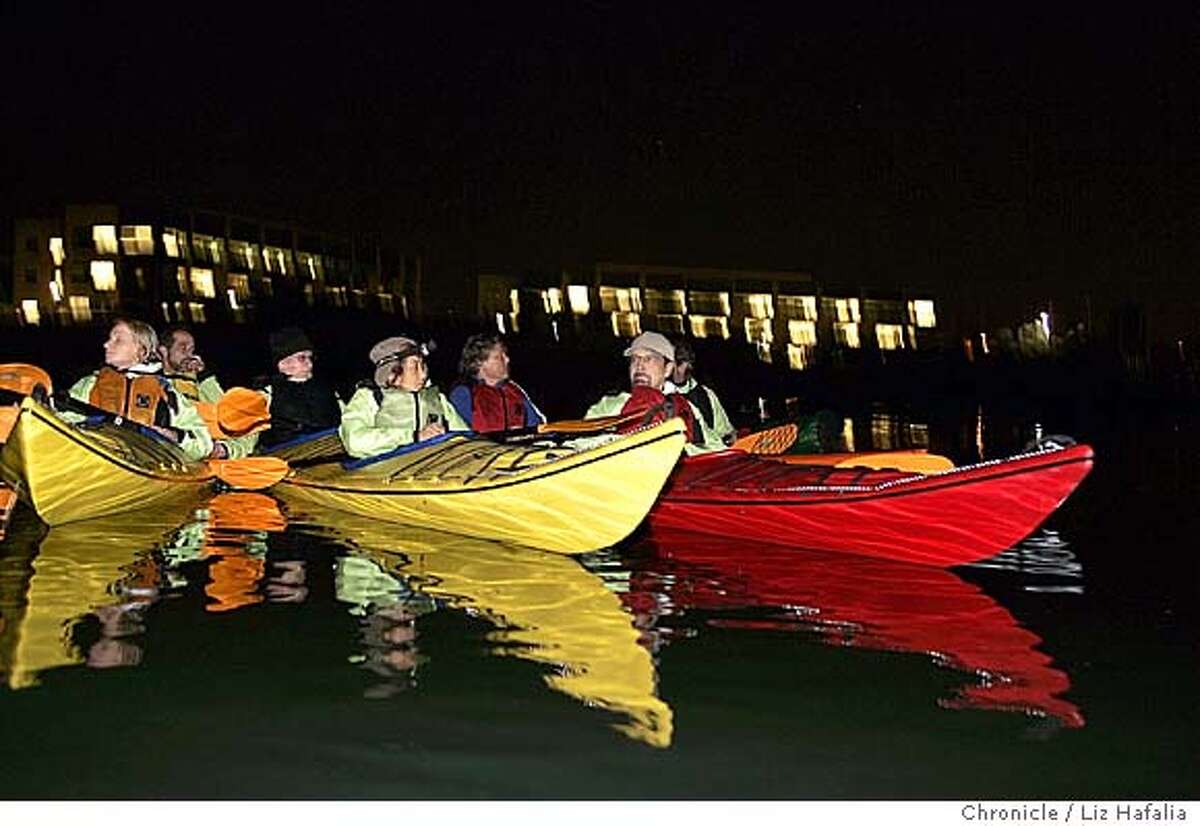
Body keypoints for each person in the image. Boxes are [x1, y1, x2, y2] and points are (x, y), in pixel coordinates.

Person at [64, 317, 214, 461]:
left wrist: (176, 437)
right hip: (97, 461)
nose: (106, 344)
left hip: (147, 466)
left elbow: (203, 443)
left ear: (141, 351)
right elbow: (63, 418)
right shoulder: (89, 384)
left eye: (118, 340)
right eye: (110, 339)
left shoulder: (166, 392)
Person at [584, 330, 716, 454]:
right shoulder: (609, 405)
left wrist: (679, 449)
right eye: (634, 359)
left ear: (668, 369)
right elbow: (579, 444)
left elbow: (715, 449)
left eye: (648, 359)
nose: (639, 366)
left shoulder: (687, 408)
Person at [339, 335, 468, 459]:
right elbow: (355, 441)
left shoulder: (436, 399)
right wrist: (413, 437)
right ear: (393, 372)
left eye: (422, 365)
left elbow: (465, 437)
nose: (423, 374)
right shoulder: (370, 397)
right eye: (414, 367)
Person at [158, 323, 257, 459]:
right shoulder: (151, 381)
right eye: (183, 348)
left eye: (192, 349)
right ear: (163, 351)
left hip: (204, 456)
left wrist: (204, 377)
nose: (190, 355)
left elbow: (232, 418)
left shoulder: (200, 383)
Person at [256, 326, 343, 450]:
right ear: (283, 363)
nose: (310, 363)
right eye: (302, 358)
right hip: (290, 455)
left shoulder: (326, 387)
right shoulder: (267, 393)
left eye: (310, 357)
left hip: (332, 448)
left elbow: (346, 417)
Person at [449, 333, 545, 433]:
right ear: (479, 363)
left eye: (506, 355)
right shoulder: (464, 394)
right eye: (499, 357)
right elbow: (459, 434)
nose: (507, 360)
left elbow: (537, 426)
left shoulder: (514, 390)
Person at [663, 338, 736, 447]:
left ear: (688, 364)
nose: (673, 369)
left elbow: (725, 431)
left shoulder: (706, 394)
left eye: (679, 363)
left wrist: (729, 438)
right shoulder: (660, 398)